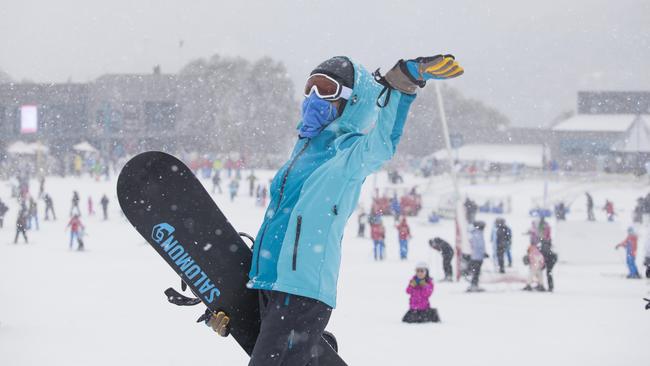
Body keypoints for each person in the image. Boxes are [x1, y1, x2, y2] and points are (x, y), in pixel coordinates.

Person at [204, 54, 463, 364]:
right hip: (267, 281)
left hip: (301, 289)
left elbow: (383, 143)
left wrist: (401, 86)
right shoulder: (300, 151)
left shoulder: (349, 153)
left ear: (352, 101)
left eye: (325, 89)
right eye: (309, 87)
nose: (313, 98)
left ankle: (308, 344)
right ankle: (313, 351)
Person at [468, 221, 486, 292]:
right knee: (476, 272)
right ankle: (474, 285)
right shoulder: (477, 234)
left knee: (476, 272)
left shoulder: (477, 233)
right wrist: (483, 253)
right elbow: (478, 246)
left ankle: (474, 284)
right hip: (477, 256)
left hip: (476, 256)